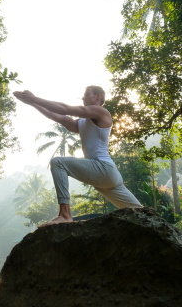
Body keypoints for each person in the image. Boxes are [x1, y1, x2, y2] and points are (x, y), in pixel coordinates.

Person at [13, 86, 142, 226]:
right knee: (140, 214)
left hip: (103, 168)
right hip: (107, 178)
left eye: (87, 94)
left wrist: (35, 98)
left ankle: (65, 215)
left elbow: (64, 109)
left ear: (97, 97)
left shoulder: (101, 111)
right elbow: (58, 116)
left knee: (58, 163)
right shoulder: (82, 122)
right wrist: (33, 103)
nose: (83, 97)